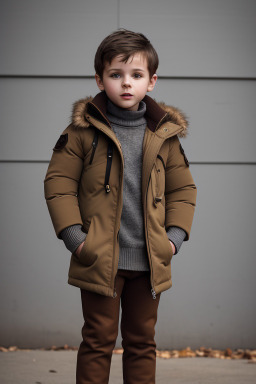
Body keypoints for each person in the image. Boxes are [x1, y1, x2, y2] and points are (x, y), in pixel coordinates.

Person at [44, 28, 197, 384]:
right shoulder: (82, 132)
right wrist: (75, 238)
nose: (126, 84)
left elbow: (184, 189)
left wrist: (172, 238)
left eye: (136, 75)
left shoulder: (165, 135)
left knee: (142, 342)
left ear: (152, 81)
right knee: (98, 340)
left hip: (149, 260)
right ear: (100, 79)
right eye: (116, 74)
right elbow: (58, 183)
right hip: (99, 258)